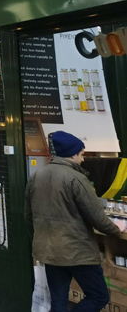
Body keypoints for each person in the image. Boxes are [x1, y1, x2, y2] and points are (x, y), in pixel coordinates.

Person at [25, 131, 127, 312]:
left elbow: (28, 216)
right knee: (99, 296)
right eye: (81, 154)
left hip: (49, 251)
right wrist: (118, 230)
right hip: (77, 252)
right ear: (72, 154)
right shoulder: (77, 179)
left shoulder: (36, 176)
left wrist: (39, 239)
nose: (83, 159)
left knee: (58, 301)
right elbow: (98, 219)